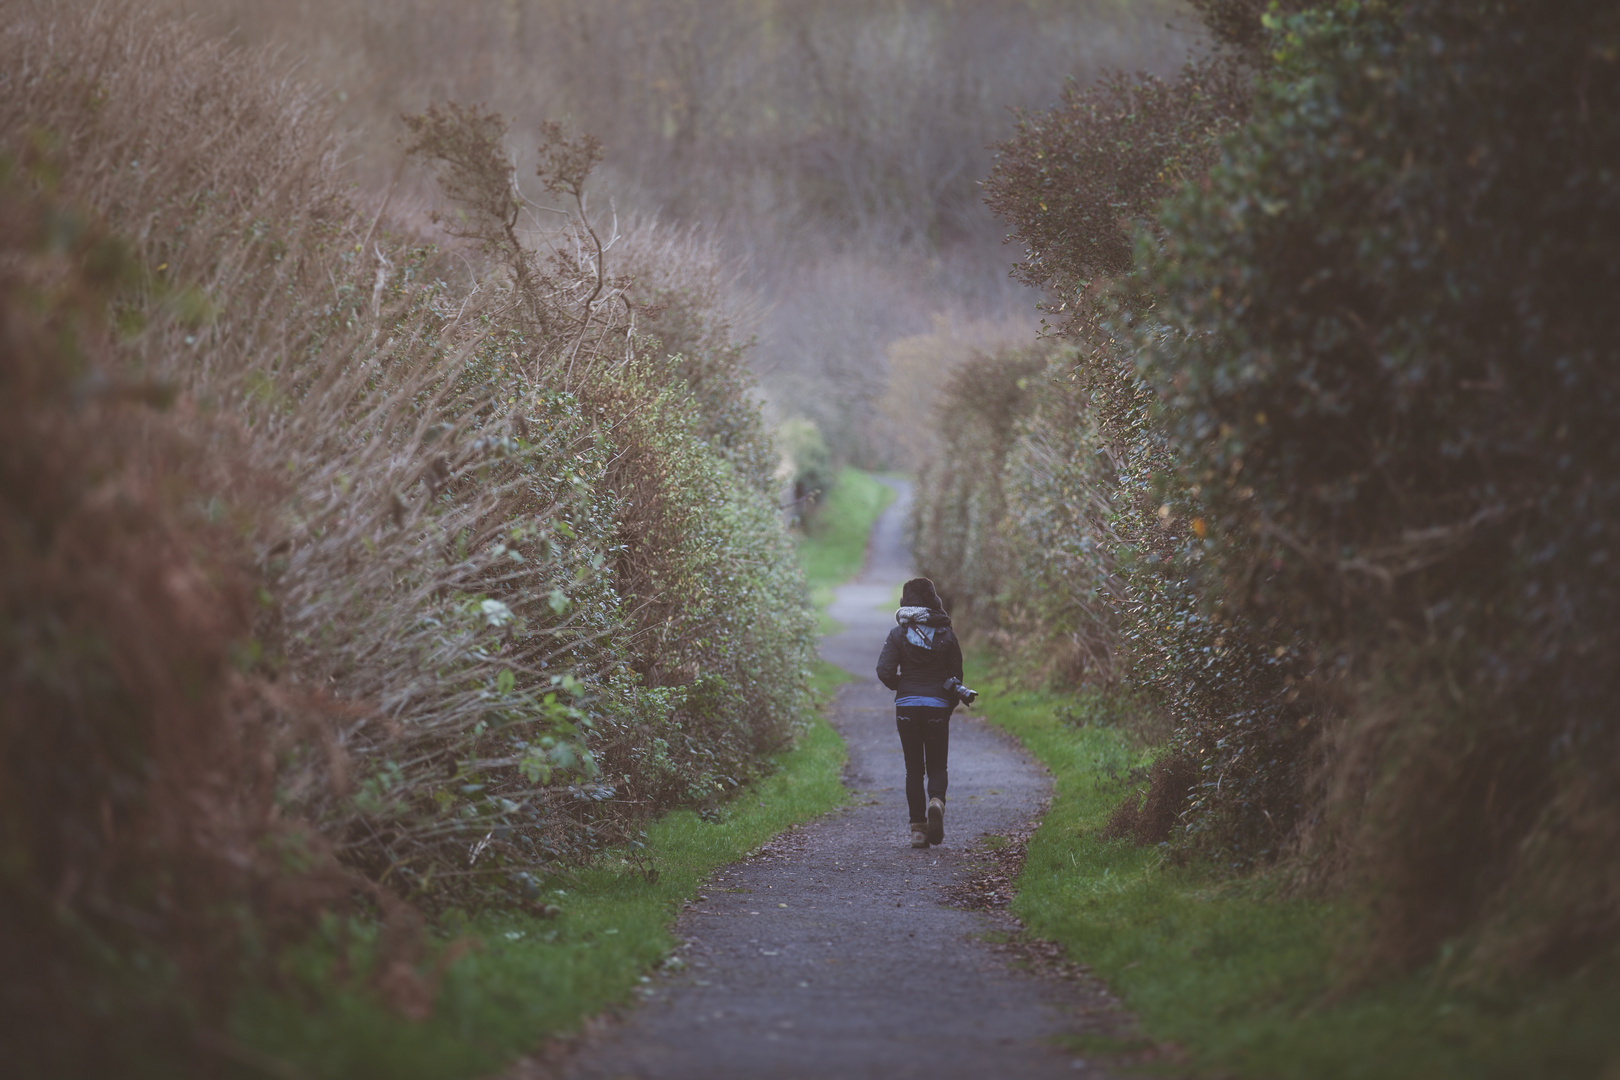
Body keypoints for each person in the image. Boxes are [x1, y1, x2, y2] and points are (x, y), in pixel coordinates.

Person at [876, 577, 963, 849]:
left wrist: (902, 687)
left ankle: (917, 830)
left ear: (905, 601)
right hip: (937, 706)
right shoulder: (947, 634)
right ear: (933, 600)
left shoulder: (897, 634)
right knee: (937, 766)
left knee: (913, 770)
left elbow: (884, 671)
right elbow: (956, 677)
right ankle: (936, 801)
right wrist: (947, 705)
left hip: (907, 708)